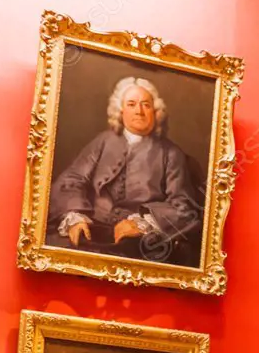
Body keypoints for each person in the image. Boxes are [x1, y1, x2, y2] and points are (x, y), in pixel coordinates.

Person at [48, 76, 202, 264]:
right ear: (120, 110)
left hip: (137, 240)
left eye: (146, 105)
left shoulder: (171, 153)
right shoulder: (103, 141)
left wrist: (142, 223)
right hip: (91, 229)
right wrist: (75, 216)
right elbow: (72, 179)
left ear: (156, 112)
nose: (139, 111)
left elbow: (184, 207)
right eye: (131, 104)